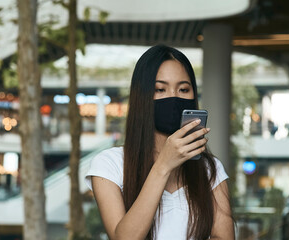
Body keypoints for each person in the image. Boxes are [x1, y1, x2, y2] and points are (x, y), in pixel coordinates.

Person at [85, 45, 234, 240]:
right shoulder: (109, 165)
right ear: (142, 97)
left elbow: (224, 237)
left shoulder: (209, 168)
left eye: (183, 89)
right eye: (160, 89)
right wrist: (163, 165)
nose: (173, 96)